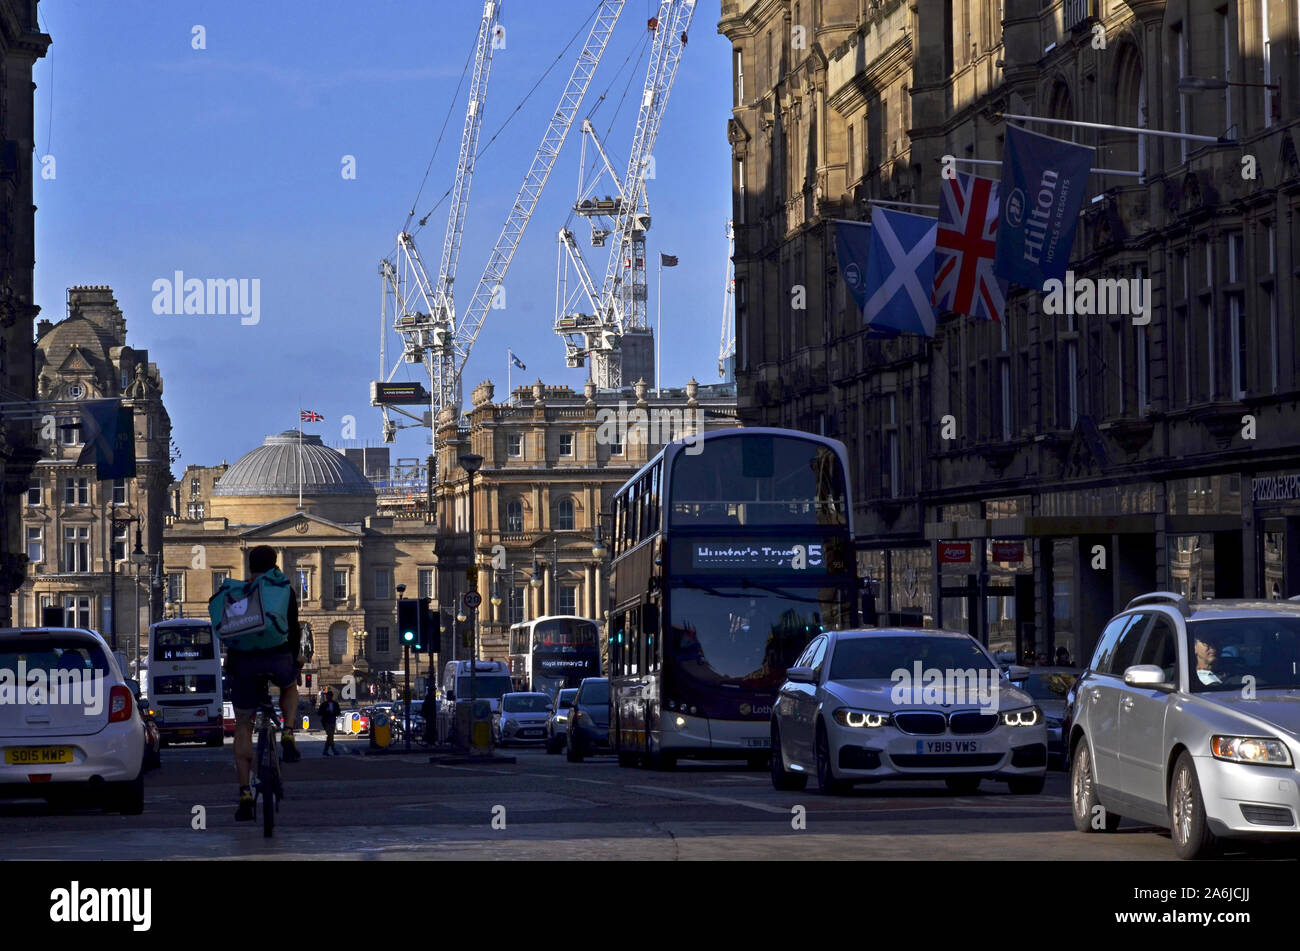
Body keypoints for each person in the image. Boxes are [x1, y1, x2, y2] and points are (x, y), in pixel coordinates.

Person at [224, 545, 304, 821]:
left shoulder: (237, 592)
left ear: (250, 566)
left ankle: (245, 791)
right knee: (289, 684)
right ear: (274, 565)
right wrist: (297, 657)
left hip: (243, 662)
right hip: (277, 656)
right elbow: (293, 629)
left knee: (244, 723)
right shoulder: (283, 591)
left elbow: (227, 631)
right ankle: (289, 730)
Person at [319, 688, 341, 755]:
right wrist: (326, 711)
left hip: (333, 721)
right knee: (330, 735)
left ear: (331, 696)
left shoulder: (335, 704)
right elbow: (319, 713)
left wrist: (333, 712)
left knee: (330, 736)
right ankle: (334, 750)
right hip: (326, 722)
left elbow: (338, 712)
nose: (327, 697)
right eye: (327, 696)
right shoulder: (324, 704)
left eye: (328, 696)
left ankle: (325, 751)